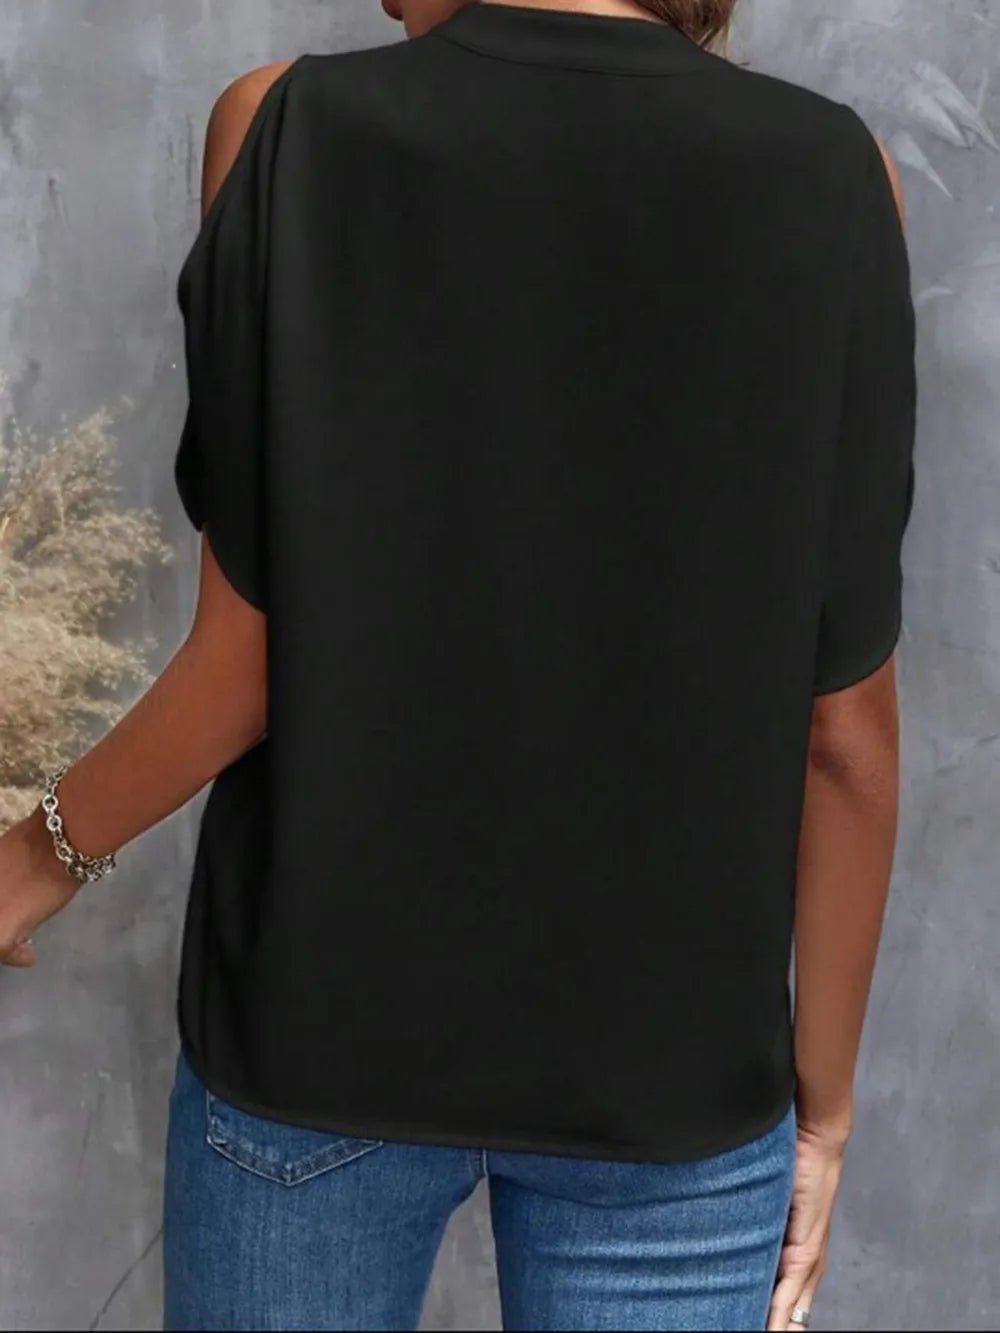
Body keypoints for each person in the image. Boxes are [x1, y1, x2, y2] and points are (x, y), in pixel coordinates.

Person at [0, 1, 916, 1329]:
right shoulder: (835, 173)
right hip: (673, 1089)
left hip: (318, 1046)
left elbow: (245, 660)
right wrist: (821, 1113)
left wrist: (28, 863)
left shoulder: (285, 129)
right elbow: (846, 734)